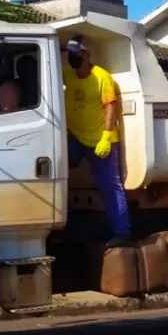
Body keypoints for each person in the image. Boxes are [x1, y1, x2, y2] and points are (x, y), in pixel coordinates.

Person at [62, 35, 131, 248]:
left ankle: (122, 232)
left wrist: (106, 137)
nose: (72, 58)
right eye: (70, 54)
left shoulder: (102, 77)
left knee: (111, 186)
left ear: (86, 54)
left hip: (99, 140)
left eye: (76, 54)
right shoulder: (69, 75)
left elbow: (111, 107)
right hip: (76, 138)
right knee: (55, 168)